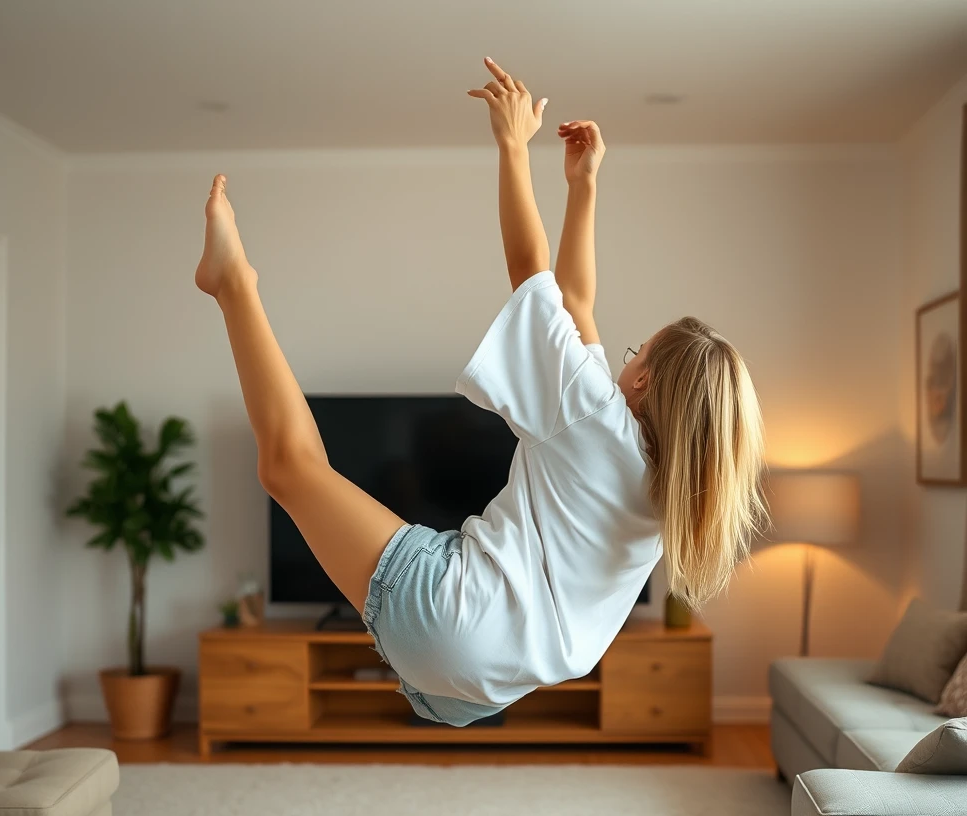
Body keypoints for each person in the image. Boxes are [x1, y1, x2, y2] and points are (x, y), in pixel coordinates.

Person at [195, 57, 768, 727]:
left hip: (454, 615)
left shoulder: (590, 413)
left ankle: (234, 285)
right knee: (298, 474)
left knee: (291, 467)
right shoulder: (664, 489)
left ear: (641, 379)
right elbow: (574, 305)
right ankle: (231, 286)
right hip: (484, 686)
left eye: (635, 351)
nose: (621, 355)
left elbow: (537, 278)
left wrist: (512, 146)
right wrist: (583, 188)